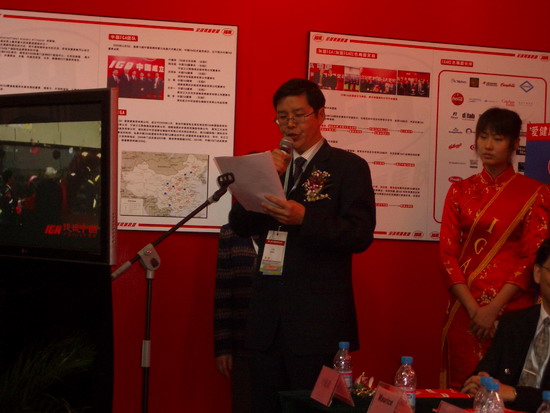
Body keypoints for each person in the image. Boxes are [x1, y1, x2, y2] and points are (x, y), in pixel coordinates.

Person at [228, 78, 376, 413]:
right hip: (268, 320)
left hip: (316, 324)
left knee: (310, 408)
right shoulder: (270, 165)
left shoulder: (348, 167)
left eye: (298, 115)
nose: (290, 124)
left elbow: (360, 234)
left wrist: (305, 219)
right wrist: (260, 178)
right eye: (282, 117)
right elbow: (240, 225)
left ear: (320, 115)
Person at [440, 107, 550, 389]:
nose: (488, 145)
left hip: (512, 309)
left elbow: (532, 258)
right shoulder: (460, 191)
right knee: (463, 386)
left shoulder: (535, 193)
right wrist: (473, 308)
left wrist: (493, 309)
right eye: (483, 137)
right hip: (465, 307)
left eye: (498, 139)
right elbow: (447, 255)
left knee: (505, 385)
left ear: (514, 144)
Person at [461, 238, 550, 413]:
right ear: (538, 273)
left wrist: (514, 393)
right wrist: (479, 382)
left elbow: (507, 392)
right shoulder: (513, 324)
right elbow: (481, 375)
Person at [213, 223, 258, 413]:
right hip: (243, 342)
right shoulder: (231, 232)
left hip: (283, 344)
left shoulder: (288, 227)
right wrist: (222, 347)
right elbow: (223, 292)